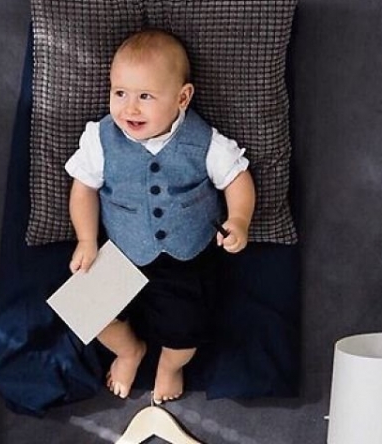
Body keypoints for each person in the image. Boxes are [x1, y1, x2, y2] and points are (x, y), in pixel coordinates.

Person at [66, 29, 255, 404]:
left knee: (187, 334)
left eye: (145, 97)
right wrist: (86, 240)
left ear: (182, 98)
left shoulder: (204, 141)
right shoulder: (100, 139)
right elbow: (83, 189)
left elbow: (237, 179)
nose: (129, 109)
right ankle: (129, 351)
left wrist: (239, 220)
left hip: (186, 258)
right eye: (120, 93)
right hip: (122, 250)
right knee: (86, 310)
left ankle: (169, 368)